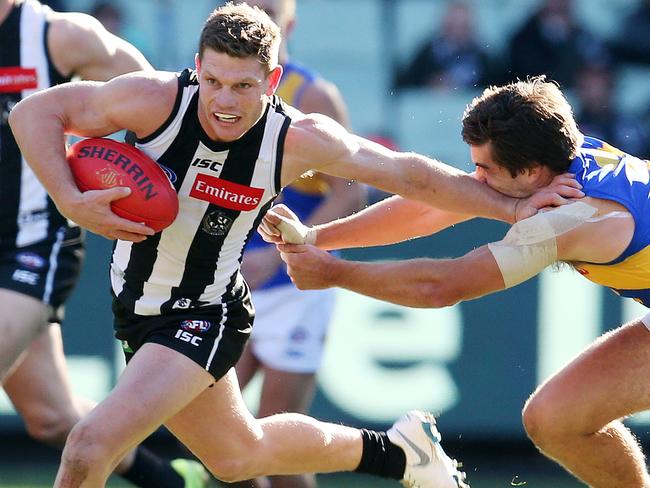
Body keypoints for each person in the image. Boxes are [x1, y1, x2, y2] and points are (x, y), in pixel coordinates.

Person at [8, 4, 576, 487]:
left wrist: (511, 206)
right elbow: (36, 111)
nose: (224, 101)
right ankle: (403, 452)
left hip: (205, 311)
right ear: (196, 68)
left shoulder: (297, 138)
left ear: (273, 81)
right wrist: (68, 198)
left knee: (87, 445)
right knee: (237, 455)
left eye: (243, 86)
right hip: (139, 307)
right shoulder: (153, 100)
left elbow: (411, 175)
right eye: (213, 81)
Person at [262, 76, 650, 488]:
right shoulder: (559, 154)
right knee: (554, 419)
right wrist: (317, 236)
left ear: (532, 171)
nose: (475, 179)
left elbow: (443, 286)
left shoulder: (570, 216)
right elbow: (434, 207)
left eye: (485, 169)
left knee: (555, 419)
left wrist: (334, 273)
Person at [0, 0, 208, 486]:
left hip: (30, 244)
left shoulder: (60, 36)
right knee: (51, 417)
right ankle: (176, 483)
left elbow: (165, 103)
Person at [235, 1, 364, 487]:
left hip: (293, 283)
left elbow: (353, 191)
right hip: (232, 280)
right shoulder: (212, 89)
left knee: (276, 447)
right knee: (215, 440)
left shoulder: (312, 94)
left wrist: (285, 249)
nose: (255, 17)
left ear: (289, 22)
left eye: (266, 8)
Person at [393, 1, 490, 91]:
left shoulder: (484, 59)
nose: (457, 33)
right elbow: (405, 83)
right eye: (452, 27)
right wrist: (429, 85)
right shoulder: (426, 54)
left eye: (463, 27)